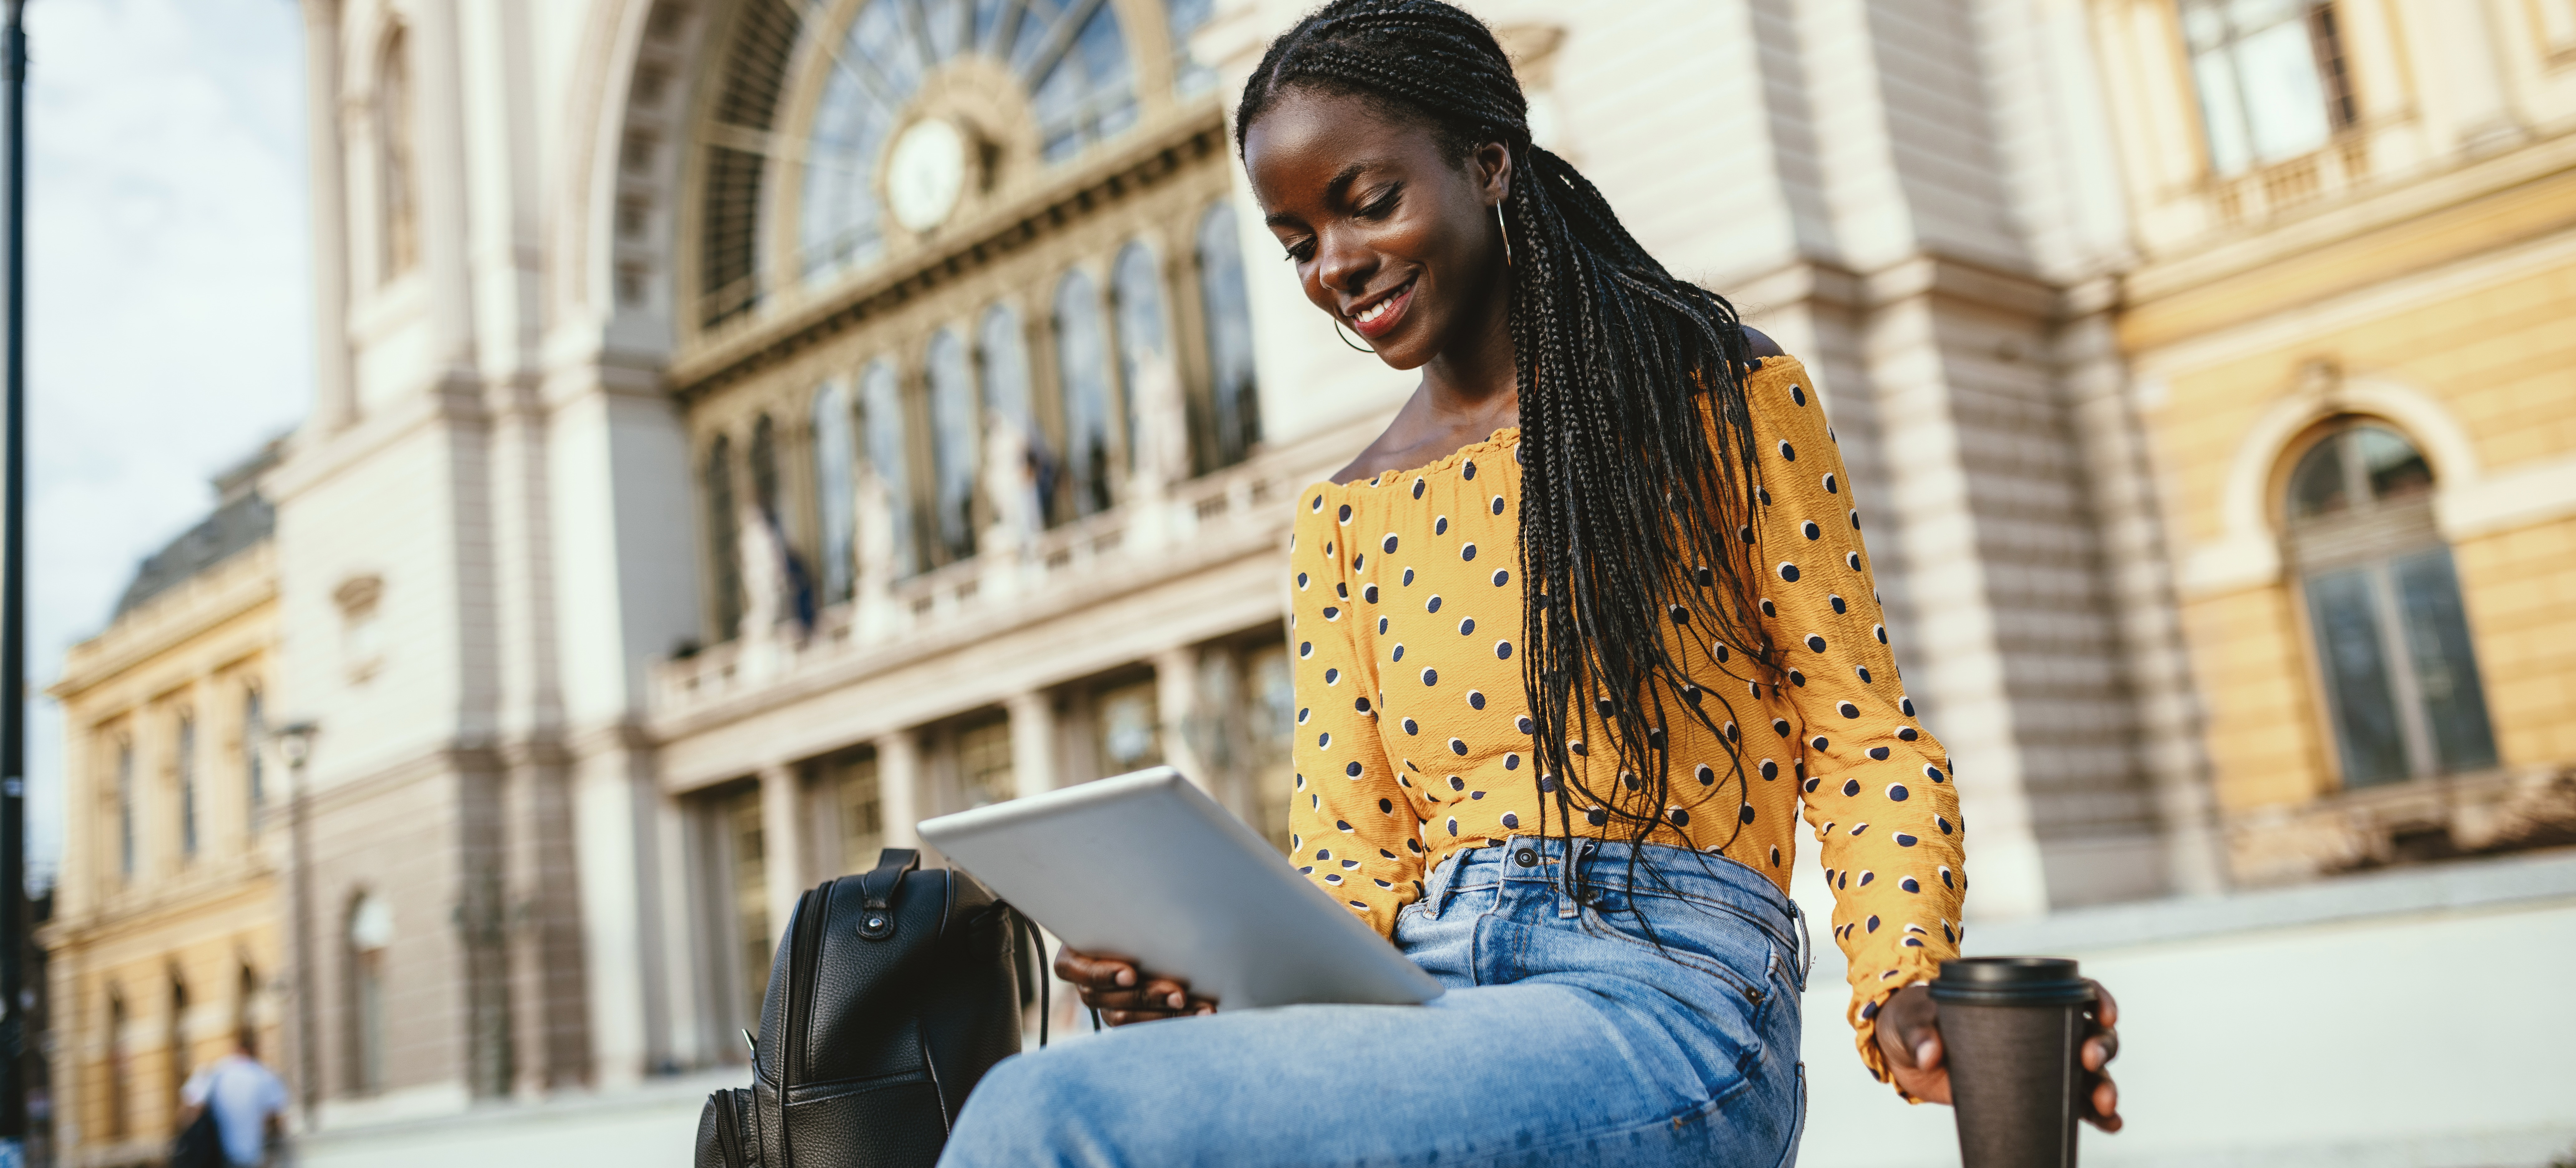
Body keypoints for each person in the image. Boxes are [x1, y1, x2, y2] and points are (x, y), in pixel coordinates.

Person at [941, 2, 2121, 1163]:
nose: (1335, 267)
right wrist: (1203, 991)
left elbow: (1860, 737)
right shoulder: (1343, 517)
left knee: (1034, 1116)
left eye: (1365, 204)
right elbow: (1351, 861)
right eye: (1298, 243)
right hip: (1414, 1007)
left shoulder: (1722, 398)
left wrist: (1904, 985)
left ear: (1487, 162)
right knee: (1083, 1083)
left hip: (1667, 1006)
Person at [178, 1029, 290, 1168]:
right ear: (254, 1049)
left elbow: (191, 1106)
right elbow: (275, 1119)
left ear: (236, 1049)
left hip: (218, 1155)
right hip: (253, 1155)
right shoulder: (266, 1076)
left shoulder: (215, 1072)